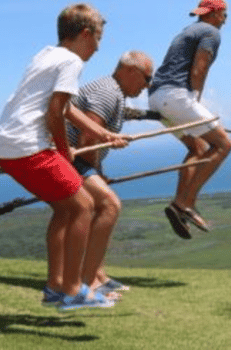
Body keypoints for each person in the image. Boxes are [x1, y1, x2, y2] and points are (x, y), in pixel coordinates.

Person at [0, 3, 128, 310]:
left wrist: (104, 134)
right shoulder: (70, 62)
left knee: (65, 210)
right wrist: (65, 154)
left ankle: (55, 286)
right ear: (85, 34)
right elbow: (56, 113)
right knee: (85, 205)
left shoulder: (46, 54)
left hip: (8, 145)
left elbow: (66, 108)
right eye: (98, 39)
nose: (97, 48)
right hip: (29, 145)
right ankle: (72, 288)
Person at [66, 50, 154, 298]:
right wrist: (95, 172)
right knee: (109, 205)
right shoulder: (107, 92)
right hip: (69, 158)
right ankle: (87, 282)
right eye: (146, 79)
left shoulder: (114, 91)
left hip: (76, 158)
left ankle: (97, 274)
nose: (147, 86)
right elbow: (88, 138)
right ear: (130, 72)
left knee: (99, 208)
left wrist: (98, 173)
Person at [148, 0, 231, 239]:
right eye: (225, 15)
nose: (225, 20)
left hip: (157, 97)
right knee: (223, 144)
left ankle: (181, 203)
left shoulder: (188, 31)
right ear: (216, 14)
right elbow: (200, 67)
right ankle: (185, 202)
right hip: (176, 96)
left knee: (197, 148)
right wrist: (195, 98)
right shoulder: (211, 33)